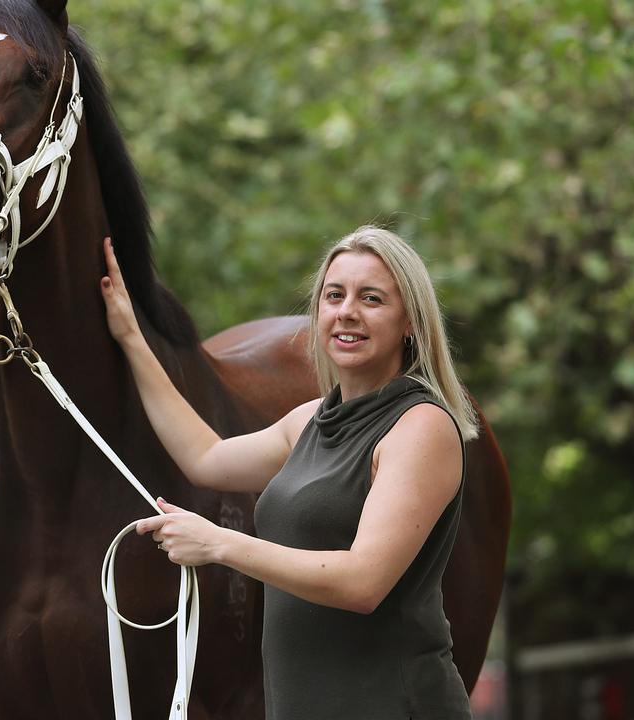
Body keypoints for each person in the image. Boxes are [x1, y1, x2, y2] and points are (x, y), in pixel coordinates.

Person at [101, 227, 478, 719]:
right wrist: (131, 336)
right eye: (334, 295)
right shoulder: (309, 421)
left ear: (409, 322)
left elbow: (363, 582)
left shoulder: (421, 427)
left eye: (372, 299)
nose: (347, 312)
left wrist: (220, 544)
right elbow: (204, 456)